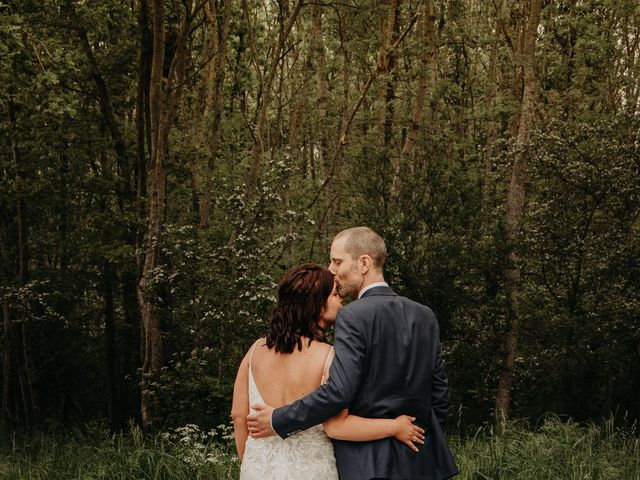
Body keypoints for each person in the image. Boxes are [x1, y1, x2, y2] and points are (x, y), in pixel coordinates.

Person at [248, 228, 459, 480]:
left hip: (366, 466)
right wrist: (421, 441)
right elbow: (440, 395)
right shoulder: (424, 315)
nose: (332, 270)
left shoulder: (353, 315)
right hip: (422, 464)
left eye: (337, 261)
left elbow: (339, 392)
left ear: (364, 263)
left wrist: (278, 418)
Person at [232, 262, 425, 479]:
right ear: (318, 305)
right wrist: (395, 427)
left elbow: (239, 417)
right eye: (335, 295)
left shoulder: (255, 350)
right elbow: (337, 427)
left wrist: (250, 463)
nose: (341, 300)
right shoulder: (328, 356)